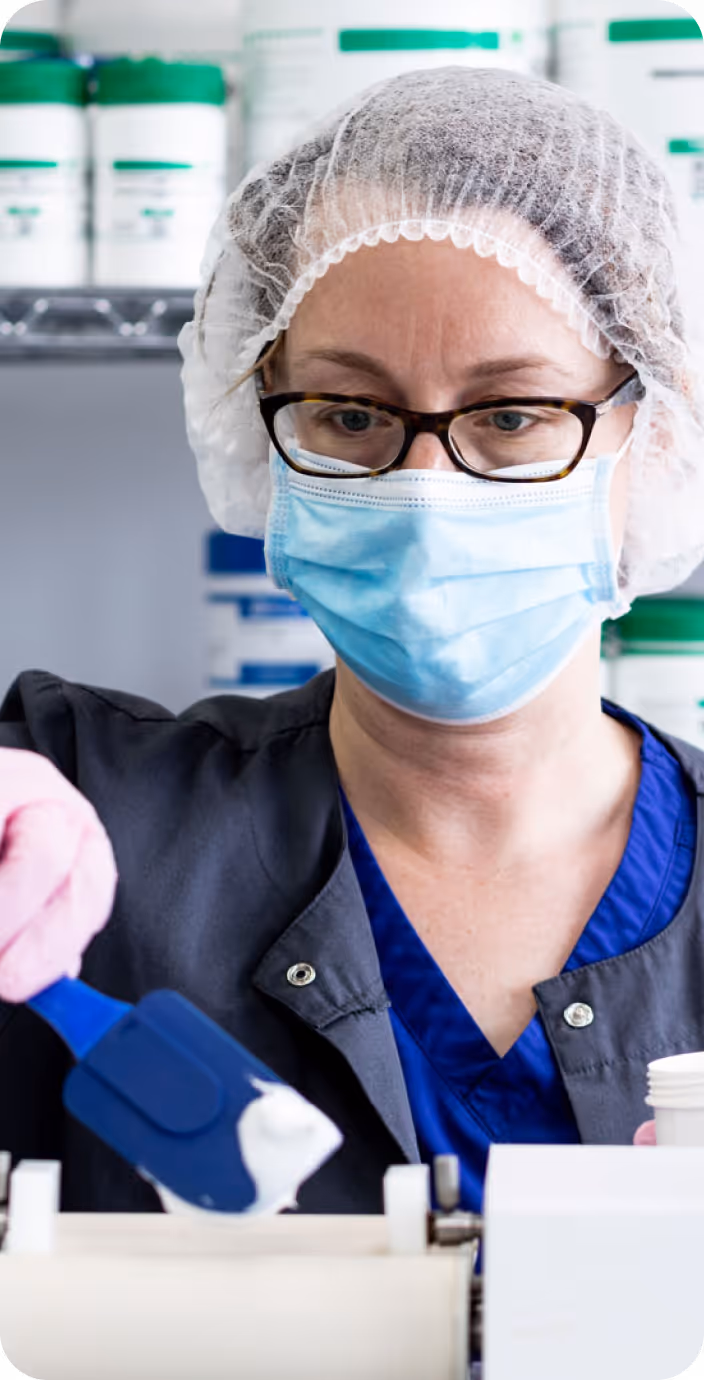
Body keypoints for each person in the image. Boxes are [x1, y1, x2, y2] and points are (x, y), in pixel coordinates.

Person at [0, 67, 702, 1212]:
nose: (423, 489)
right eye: (351, 415)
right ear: (259, 424)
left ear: (656, 435)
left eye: (511, 414)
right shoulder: (87, 816)